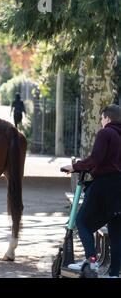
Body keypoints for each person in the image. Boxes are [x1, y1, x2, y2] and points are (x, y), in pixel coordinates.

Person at [61, 104, 121, 278]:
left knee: (82, 221)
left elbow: (96, 158)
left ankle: (91, 261)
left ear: (107, 118)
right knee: (116, 232)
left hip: (104, 186)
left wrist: (74, 167)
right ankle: (114, 274)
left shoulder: (106, 133)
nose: (101, 122)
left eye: (102, 119)